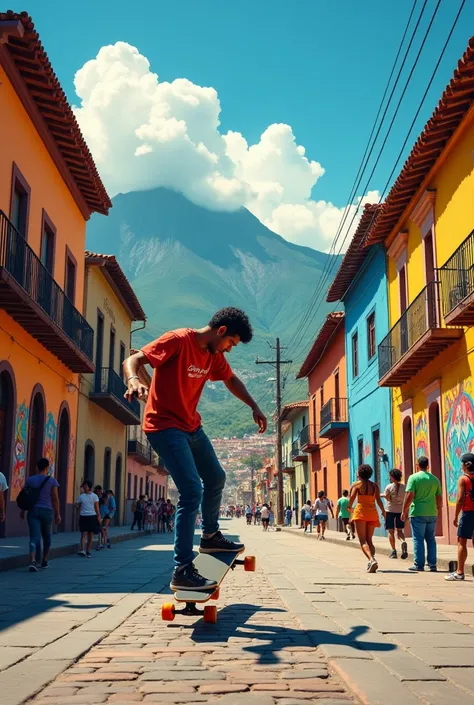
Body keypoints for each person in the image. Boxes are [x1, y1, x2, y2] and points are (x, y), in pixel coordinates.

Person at [123, 308, 267, 591]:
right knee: (191, 491)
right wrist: (134, 380)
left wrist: (254, 405)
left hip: (191, 427)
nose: (229, 350)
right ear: (221, 331)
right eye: (231, 344)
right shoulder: (178, 340)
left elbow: (231, 379)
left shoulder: (214, 355)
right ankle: (183, 568)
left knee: (216, 477)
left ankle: (211, 534)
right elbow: (135, 359)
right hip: (163, 426)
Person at [401, 456, 442, 572]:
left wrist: (404, 511)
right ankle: (432, 564)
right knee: (431, 538)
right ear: (427, 466)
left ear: (417, 465)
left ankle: (419, 564)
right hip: (432, 512)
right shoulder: (435, 479)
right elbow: (439, 497)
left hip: (417, 512)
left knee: (418, 539)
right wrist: (438, 510)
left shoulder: (413, 478)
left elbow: (409, 496)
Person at [20, 458, 60, 571]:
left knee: (34, 537)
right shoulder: (52, 481)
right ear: (47, 468)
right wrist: (58, 514)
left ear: (37, 467)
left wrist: (23, 511)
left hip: (33, 511)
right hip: (47, 511)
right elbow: (55, 499)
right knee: (47, 537)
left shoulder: (30, 480)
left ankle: (33, 560)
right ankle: (44, 560)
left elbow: (25, 496)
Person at [349, 464, 386, 573]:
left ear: (359, 474)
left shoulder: (356, 485)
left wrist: (349, 508)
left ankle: (371, 559)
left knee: (362, 540)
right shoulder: (375, 486)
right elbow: (379, 500)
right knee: (369, 539)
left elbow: (351, 499)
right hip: (372, 513)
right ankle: (371, 560)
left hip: (361, 513)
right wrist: (383, 512)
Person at [445, 452, 474, 581]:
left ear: (466, 465)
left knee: (462, 542)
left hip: (468, 513)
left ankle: (460, 571)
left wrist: (456, 516)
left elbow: (460, 498)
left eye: (462, 463)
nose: (461, 465)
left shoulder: (463, 479)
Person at [384, 469, 408, 560]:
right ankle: (402, 541)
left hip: (390, 510)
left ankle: (393, 551)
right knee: (400, 531)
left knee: (391, 531)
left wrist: (386, 496)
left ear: (392, 477)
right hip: (400, 511)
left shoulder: (389, 487)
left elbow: (388, 499)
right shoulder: (404, 487)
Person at [77, 480, 101, 558]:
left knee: (90, 535)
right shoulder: (81, 496)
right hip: (83, 516)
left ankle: (88, 551)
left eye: (85, 486)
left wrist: (99, 518)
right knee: (83, 534)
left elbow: (97, 508)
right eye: (83, 486)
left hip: (92, 516)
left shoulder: (94, 496)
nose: (84, 487)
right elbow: (79, 507)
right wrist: (78, 512)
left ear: (89, 487)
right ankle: (82, 550)